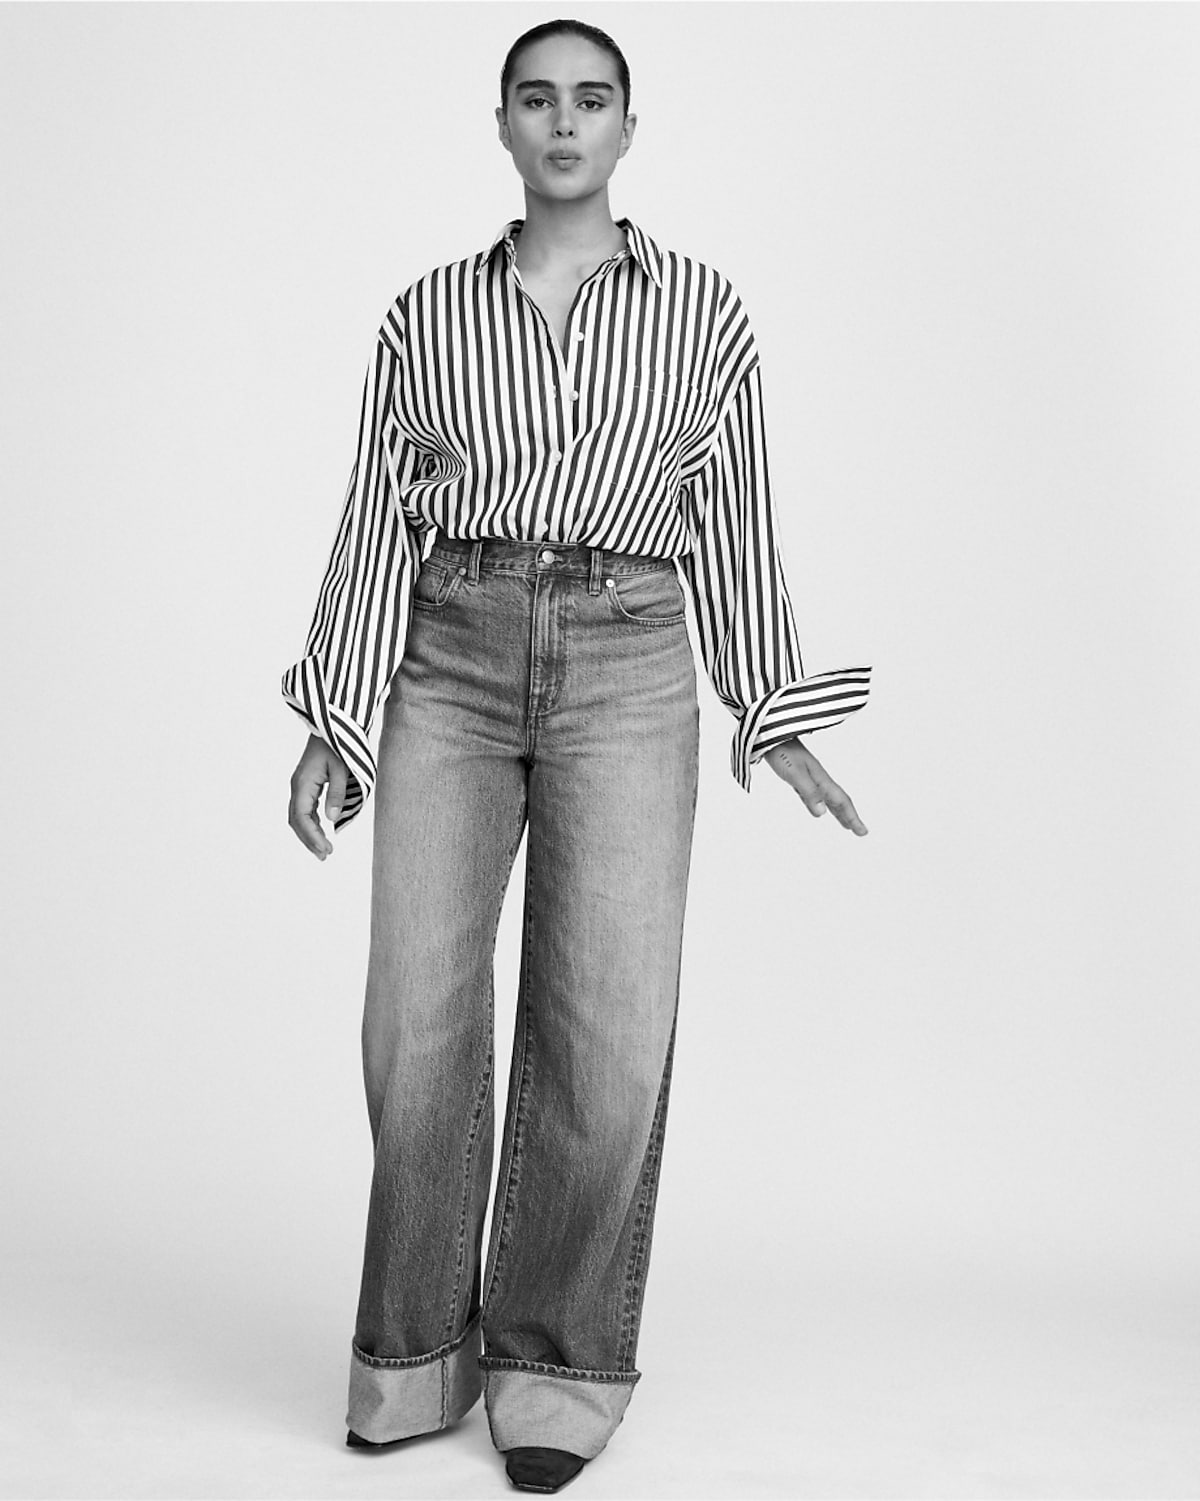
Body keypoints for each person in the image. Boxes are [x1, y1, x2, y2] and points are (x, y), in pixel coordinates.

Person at [283, 17, 871, 1494]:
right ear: (500, 125)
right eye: (536, 100)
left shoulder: (705, 314)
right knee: (414, 1017)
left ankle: (554, 1363)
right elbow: (375, 522)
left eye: (590, 101)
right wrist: (336, 718)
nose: (563, 124)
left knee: (604, 1027)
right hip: (452, 648)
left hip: (628, 655)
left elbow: (734, 517)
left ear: (627, 127)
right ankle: (414, 1355)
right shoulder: (424, 315)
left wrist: (771, 705)